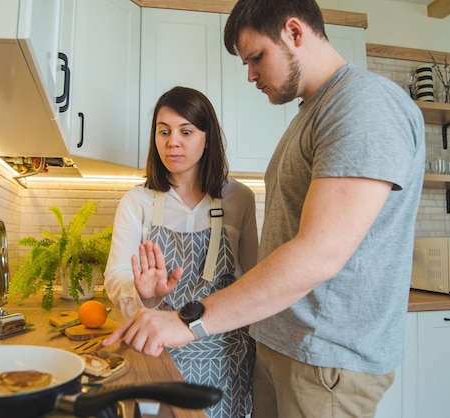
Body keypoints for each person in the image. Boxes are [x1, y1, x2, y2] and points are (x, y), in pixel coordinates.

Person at [103, 1, 426, 417]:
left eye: (256, 57)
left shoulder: (363, 104)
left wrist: (187, 321)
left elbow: (319, 254)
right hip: (279, 348)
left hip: (324, 361)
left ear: (294, 33)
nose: (251, 75)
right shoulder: (310, 115)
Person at [104, 86, 258, 418]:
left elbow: (251, 280)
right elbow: (115, 274)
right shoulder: (137, 202)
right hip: (158, 355)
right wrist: (143, 295)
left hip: (225, 359)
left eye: (186, 131)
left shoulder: (239, 199)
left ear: (207, 138)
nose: (172, 141)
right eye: (164, 131)